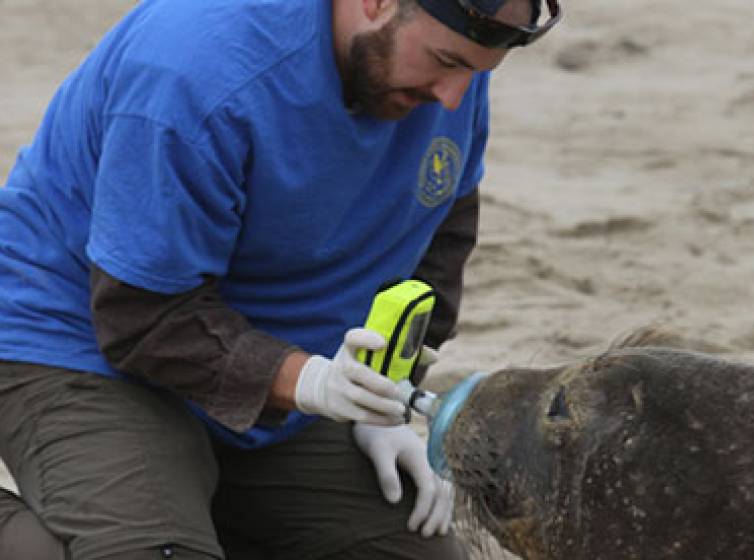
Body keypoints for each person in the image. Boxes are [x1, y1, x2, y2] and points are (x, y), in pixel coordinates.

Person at [0, 0, 561, 558]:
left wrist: (385, 390)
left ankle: (178, 503)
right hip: (77, 341)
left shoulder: (445, 67)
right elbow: (139, 319)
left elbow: (441, 226)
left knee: (415, 552)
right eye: (445, 61)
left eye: (476, 72)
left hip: (272, 367)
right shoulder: (197, 71)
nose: (453, 97)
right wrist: (312, 383)